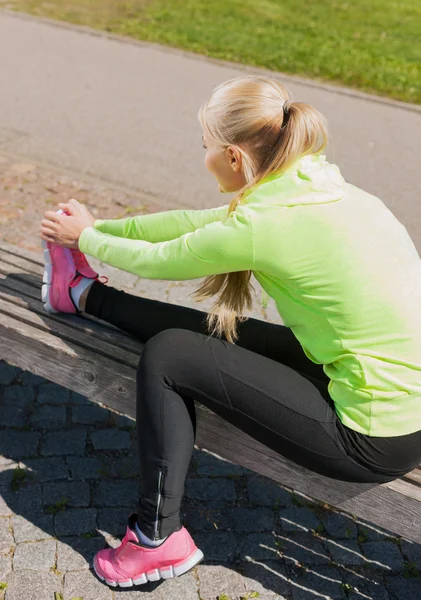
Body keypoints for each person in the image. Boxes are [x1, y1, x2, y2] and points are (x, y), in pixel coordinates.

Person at [39, 75, 421, 589]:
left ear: (235, 156)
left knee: (172, 355)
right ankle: (82, 295)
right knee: (224, 334)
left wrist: (84, 235)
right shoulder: (319, 190)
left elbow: (161, 259)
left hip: (373, 436)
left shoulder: (268, 223)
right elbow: (189, 223)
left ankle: (156, 539)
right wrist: (99, 228)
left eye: (206, 148)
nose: (205, 158)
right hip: (397, 404)